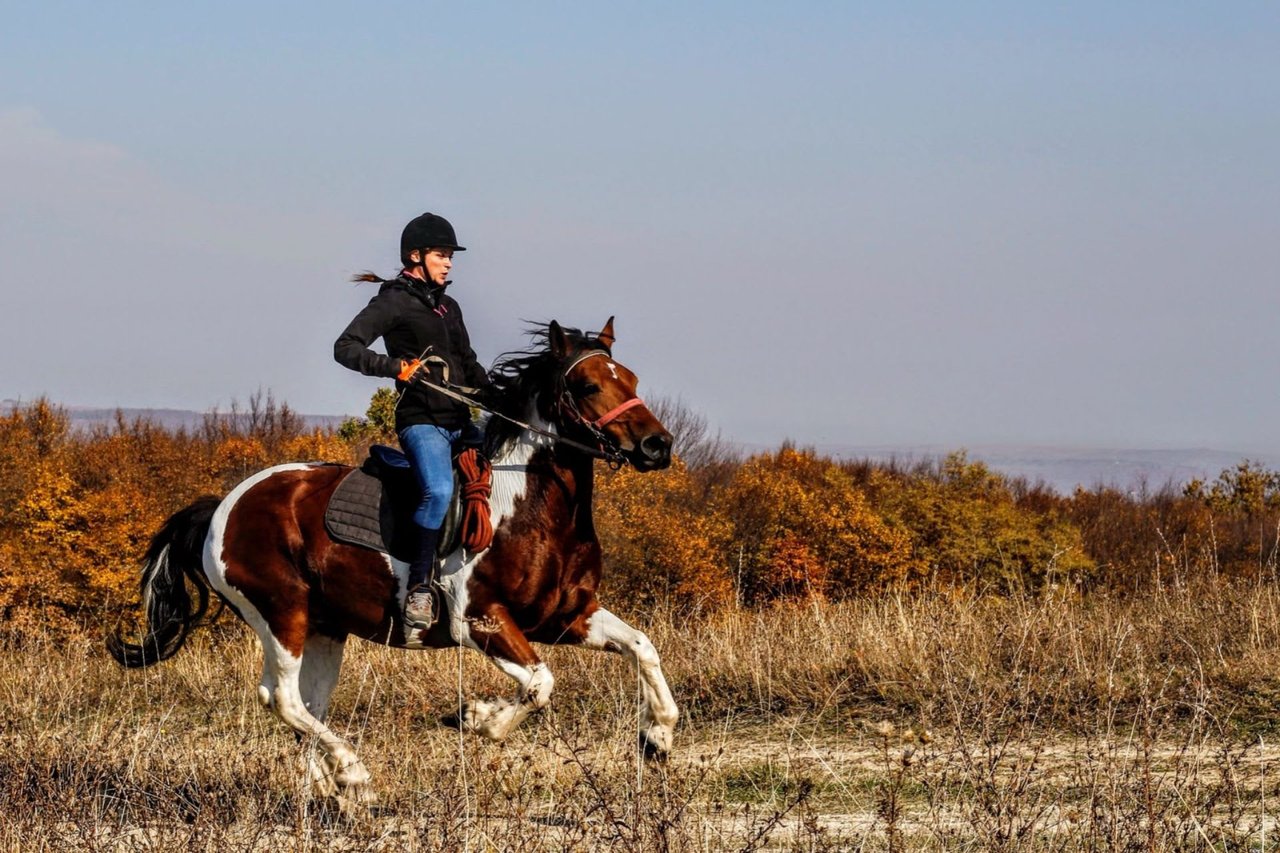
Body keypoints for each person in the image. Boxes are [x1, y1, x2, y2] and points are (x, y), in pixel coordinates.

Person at [334, 212, 490, 629]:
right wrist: (394, 367)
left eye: (450, 256)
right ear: (416, 256)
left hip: (460, 419)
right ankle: (418, 588)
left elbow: (468, 364)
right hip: (421, 421)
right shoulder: (393, 301)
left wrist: (499, 395)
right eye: (442, 255)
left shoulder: (448, 306)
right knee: (438, 491)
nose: (450, 263)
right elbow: (345, 347)